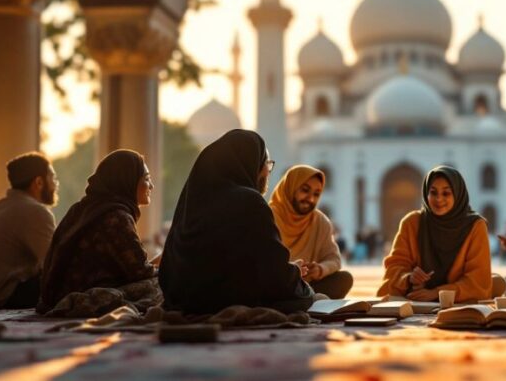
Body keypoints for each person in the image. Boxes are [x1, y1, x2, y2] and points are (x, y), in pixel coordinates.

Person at [159, 129, 314, 314]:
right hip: (222, 300)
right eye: (267, 164)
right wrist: (294, 271)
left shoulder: (193, 198)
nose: (268, 171)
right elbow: (274, 272)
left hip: (181, 297)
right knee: (306, 295)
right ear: (251, 163)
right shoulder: (249, 201)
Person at [36, 150, 156, 313]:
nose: (151, 186)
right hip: (88, 298)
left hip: (57, 297)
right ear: (127, 181)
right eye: (147, 179)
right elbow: (140, 273)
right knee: (164, 285)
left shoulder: (84, 209)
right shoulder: (116, 216)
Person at [377, 166, 499, 302]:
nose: (438, 199)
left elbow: (477, 281)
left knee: (492, 284)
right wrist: (408, 278)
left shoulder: (475, 226)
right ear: (425, 194)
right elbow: (394, 267)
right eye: (433, 193)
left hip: (456, 302)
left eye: (446, 193)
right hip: (415, 297)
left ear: (458, 194)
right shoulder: (412, 222)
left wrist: (436, 293)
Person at [0, 153, 57, 309]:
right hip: (1, 296)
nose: (56, 184)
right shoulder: (35, 211)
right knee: (65, 278)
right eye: (52, 178)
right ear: (39, 182)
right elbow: (53, 263)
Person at [269, 165, 354, 299]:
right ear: (290, 188)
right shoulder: (269, 216)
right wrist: (293, 271)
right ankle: (306, 300)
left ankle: (303, 299)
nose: (310, 199)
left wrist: (319, 269)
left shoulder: (320, 221)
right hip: (277, 284)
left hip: (306, 285)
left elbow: (334, 259)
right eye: (305, 190)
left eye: (316, 194)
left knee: (344, 279)